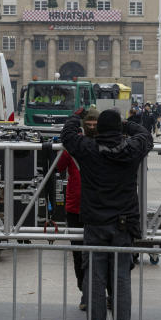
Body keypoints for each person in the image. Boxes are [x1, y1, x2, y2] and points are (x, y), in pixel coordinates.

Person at [61, 107, 153, 320]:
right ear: (118, 129)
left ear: (98, 129)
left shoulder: (88, 148)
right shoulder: (131, 149)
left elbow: (68, 135)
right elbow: (145, 135)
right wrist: (126, 124)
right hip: (124, 221)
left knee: (94, 274)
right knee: (121, 274)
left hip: (94, 220)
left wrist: (76, 115)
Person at [55, 107, 99, 309]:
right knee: (78, 253)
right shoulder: (74, 146)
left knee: (95, 253)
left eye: (94, 125)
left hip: (95, 207)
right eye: (87, 124)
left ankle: (94, 292)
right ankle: (85, 292)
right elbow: (59, 167)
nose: (91, 128)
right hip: (74, 207)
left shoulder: (102, 145)